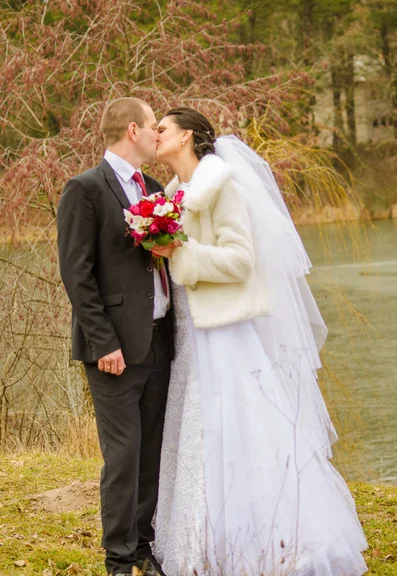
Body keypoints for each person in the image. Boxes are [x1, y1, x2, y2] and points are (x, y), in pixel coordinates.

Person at [152, 107, 368, 576]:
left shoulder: (220, 186)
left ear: (186, 136)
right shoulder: (171, 196)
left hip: (225, 329)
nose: (154, 135)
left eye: (162, 129)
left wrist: (181, 255)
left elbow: (241, 260)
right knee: (197, 433)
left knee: (242, 428)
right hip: (190, 332)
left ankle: (275, 545)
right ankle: (202, 548)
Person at [57, 97, 173, 576]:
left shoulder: (155, 187)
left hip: (160, 341)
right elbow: (76, 273)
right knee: (123, 455)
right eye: (152, 126)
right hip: (114, 350)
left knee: (151, 450)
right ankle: (119, 559)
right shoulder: (84, 189)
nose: (156, 135)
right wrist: (104, 342)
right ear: (132, 130)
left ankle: (144, 545)